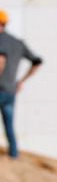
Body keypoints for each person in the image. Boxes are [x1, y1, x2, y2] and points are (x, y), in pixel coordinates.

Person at [0, 10, 42, 159]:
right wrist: (22, 81)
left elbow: (1, 60)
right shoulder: (17, 42)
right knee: (9, 126)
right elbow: (37, 61)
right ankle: (13, 155)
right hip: (11, 90)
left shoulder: (1, 40)